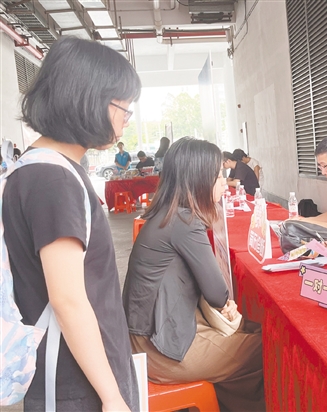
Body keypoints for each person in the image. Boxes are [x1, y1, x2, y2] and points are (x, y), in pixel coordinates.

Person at [3, 36, 141, 411]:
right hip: (77, 382)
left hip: (79, 370)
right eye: (124, 109)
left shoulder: (40, 167)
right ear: (90, 100)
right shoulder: (53, 180)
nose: (125, 121)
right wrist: (112, 397)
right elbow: (68, 301)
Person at [123, 138, 265, 412]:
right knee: (264, 349)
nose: (224, 183)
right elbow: (218, 294)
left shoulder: (168, 214)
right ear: (198, 180)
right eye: (218, 176)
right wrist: (226, 303)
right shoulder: (185, 222)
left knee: (250, 331)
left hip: (149, 334)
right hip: (160, 348)